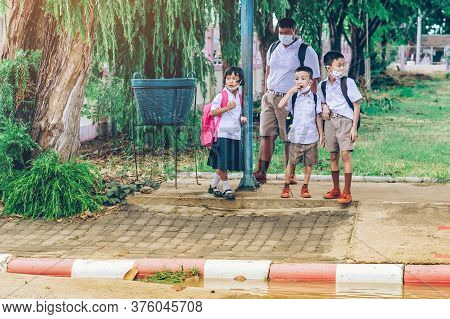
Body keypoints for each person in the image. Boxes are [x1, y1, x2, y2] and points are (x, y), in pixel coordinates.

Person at [253, 17, 321, 185]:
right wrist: (266, 89)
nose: (283, 36)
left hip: (290, 99)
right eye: (280, 33)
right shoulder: (274, 47)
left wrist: (314, 105)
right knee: (266, 134)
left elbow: (315, 80)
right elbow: (268, 69)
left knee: (288, 137)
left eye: (286, 33)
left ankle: (289, 174)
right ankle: (261, 172)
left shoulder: (306, 51)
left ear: (294, 32)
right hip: (270, 97)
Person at [319, 51, 362, 204]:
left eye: (344, 65)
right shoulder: (322, 85)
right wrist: (324, 107)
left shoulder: (348, 82)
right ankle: (336, 189)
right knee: (333, 155)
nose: (342, 68)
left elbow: (356, 106)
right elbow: (322, 102)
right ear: (329, 68)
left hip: (345, 121)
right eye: (339, 65)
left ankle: (347, 192)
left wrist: (354, 128)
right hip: (330, 122)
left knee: (345, 155)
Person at [278, 66, 323, 198]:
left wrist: (321, 135)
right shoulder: (294, 97)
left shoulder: (315, 98)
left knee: (308, 164)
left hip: (311, 136)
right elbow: (280, 105)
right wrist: (291, 91)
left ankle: (305, 187)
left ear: (310, 81)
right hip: (296, 137)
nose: (299, 81)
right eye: (297, 79)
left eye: (303, 78)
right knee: (291, 163)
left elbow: (318, 117)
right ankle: (286, 187)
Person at [207, 67, 247, 200]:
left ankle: (212, 187)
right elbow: (212, 112)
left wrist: (241, 117)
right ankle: (226, 188)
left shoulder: (239, 97)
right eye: (229, 78)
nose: (231, 81)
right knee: (222, 163)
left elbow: (237, 113)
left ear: (240, 81)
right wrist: (227, 108)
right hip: (222, 133)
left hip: (234, 134)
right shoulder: (221, 95)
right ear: (225, 79)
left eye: (235, 79)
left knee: (225, 163)